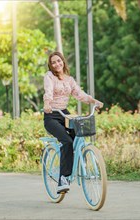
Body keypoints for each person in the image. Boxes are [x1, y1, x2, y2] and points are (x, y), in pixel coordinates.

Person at [43, 51, 103, 194]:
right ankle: (63, 179)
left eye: (59, 61)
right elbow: (48, 91)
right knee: (67, 141)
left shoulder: (69, 80)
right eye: (53, 62)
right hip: (52, 115)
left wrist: (94, 101)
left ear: (63, 61)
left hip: (65, 114)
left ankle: (80, 166)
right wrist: (47, 103)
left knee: (80, 135)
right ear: (50, 65)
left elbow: (79, 94)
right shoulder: (49, 76)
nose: (57, 64)